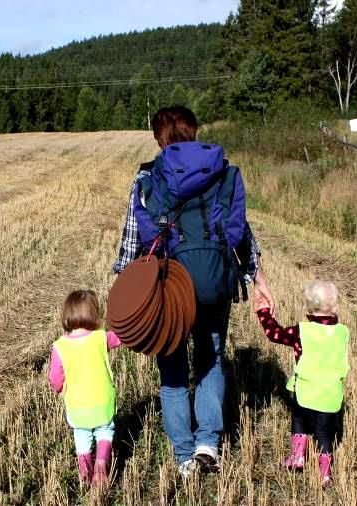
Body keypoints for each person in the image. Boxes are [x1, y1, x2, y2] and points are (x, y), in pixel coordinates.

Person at [113, 106, 274, 477]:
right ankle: (208, 444)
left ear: (159, 138)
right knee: (211, 358)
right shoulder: (223, 173)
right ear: (195, 131)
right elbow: (242, 235)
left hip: (169, 288)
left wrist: (124, 294)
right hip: (216, 280)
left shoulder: (148, 179)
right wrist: (259, 281)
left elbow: (131, 242)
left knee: (172, 371)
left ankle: (184, 456)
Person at [255, 280, 349, 487]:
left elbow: (275, 334)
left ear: (307, 309)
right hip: (330, 395)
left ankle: (297, 457)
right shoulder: (343, 332)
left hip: (305, 391)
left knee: (299, 422)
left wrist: (263, 313)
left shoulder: (302, 331)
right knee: (324, 433)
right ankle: (325, 473)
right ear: (336, 308)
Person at [48, 289, 121, 488]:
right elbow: (121, 337)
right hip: (102, 402)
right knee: (105, 432)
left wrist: (60, 388)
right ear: (93, 314)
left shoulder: (60, 346)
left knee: (82, 438)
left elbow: (54, 378)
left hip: (77, 406)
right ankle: (101, 463)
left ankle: (86, 476)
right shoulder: (101, 338)